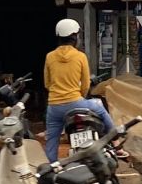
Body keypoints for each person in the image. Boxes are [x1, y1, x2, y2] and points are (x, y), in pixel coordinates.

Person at [44, 18, 114, 160]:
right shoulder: (81, 56)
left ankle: (52, 166)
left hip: (54, 107)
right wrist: (80, 97)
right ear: (75, 37)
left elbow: (47, 84)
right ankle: (115, 137)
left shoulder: (49, 57)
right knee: (99, 106)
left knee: (51, 141)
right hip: (76, 102)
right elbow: (86, 84)